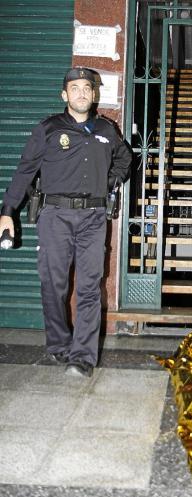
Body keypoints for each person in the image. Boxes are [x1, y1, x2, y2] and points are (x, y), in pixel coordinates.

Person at [0, 67, 132, 377]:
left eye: (86, 87)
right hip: (55, 217)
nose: (82, 93)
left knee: (89, 287)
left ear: (93, 94)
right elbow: (25, 171)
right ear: (64, 95)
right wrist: (7, 211)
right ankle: (59, 343)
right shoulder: (47, 129)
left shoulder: (107, 129)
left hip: (93, 218)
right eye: (75, 88)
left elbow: (125, 159)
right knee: (53, 285)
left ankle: (82, 357)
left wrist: (110, 180)